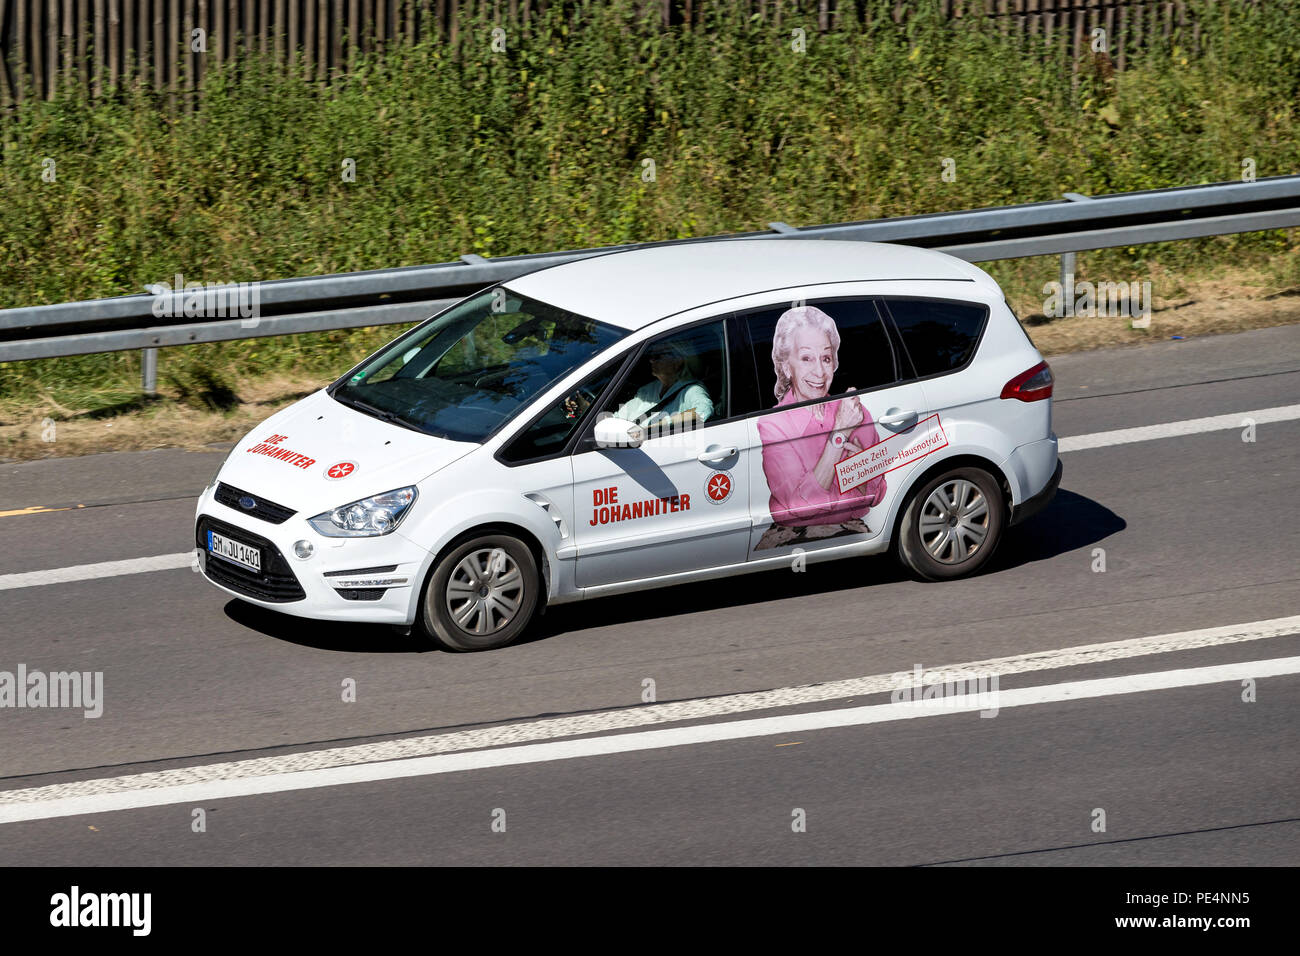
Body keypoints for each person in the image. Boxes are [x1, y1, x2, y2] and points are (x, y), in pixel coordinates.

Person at [754, 305, 887, 550]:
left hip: (854, 533)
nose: (819, 371)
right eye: (806, 358)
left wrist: (860, 468)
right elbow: (800, 505)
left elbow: (875, 494)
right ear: (785, 365)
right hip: (792, 540)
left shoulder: (853, 411)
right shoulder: (773, 424)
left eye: (825, 358)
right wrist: (839, 437)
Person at [566, 339, 713, 432]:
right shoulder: (648, 390)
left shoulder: (691, 390)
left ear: (678, 361)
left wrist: (653, 428)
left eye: (658, 357)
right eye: (651, 357)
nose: (651, 361)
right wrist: (586, 410)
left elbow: (703, 411)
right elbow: (618, 419)